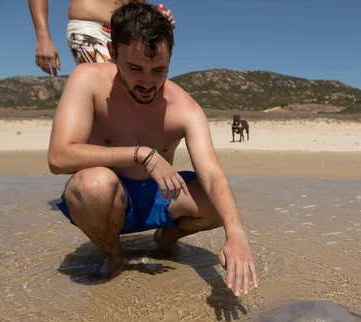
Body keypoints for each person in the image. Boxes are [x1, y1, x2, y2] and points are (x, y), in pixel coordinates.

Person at [48, 2, 258, 297]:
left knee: (218, 205)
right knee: (91, 184)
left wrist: (235, 235)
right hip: (106, 201)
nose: (147, 82)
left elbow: (212, 175)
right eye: (135, 68)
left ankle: (166, 238)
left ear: (170, 58)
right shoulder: (87, 79)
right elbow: (58, 157)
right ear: (113, 51)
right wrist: (142, 154)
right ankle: (114, 253)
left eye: (158, 70)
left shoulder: (185, 108)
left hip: (160, 197)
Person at [28, 0, 176, 75]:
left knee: (135, 89)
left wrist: (152, 14)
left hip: (128, 31)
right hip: (90, 28)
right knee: (112, 86)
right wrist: (43, 38)